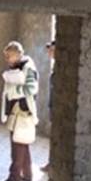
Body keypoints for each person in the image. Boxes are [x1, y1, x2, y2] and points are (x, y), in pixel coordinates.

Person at [0, 41, 39, 181]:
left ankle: (14, 177)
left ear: (17, 55)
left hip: (22, 111)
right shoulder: (16, 67)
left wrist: (14, 91)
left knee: (17, 145)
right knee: (22, 143)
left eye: (9, 56)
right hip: (16, 111)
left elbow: (32, 89)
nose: (7, 59)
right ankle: (27, 174)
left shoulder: (28, 68)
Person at [40, 40, 55, 173]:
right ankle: (52, 162)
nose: (49, 52)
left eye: (51, 49)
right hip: (54, 106)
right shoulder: (56, 66)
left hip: (56, 107)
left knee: (56, 137)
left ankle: (53, 163)